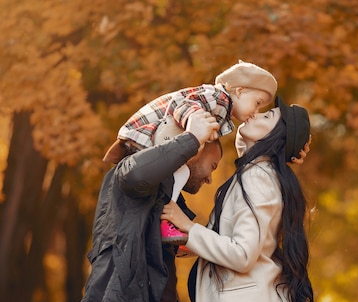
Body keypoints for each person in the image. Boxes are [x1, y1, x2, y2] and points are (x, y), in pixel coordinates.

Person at [160, 96, 316, 302]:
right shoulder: (257, 173)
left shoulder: (258, 178)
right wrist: (194, 243)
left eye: (269, 114)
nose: (256, 112)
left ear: (277, 135)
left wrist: (189, 227)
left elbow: (244, 254)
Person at [71, 109, 222, 302]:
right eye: (212, 165)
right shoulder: (127, 174)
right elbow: (140, 172)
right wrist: (192, 138)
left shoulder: (161, 199)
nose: (209, 176)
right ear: (191, 152)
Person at [102, 60, 279, 245]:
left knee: (176, 173)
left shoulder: (220, 104)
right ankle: (166, 219)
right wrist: (194, 133)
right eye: (257, 103)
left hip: (153, 139)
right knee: (182, 172)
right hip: (146, 135)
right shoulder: (218, 98)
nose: (256, 111)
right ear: (240, 91)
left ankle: (169, 220)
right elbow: (184, 108)